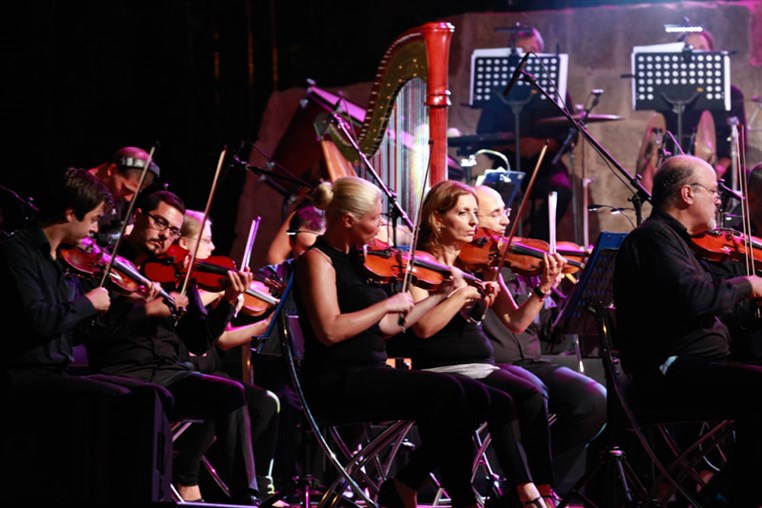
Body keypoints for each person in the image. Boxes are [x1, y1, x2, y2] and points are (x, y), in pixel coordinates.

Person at [293, 176, 516, 508]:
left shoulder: (359, 260)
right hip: (336, 379)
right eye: (374, 218)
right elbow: (330, 330)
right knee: (451, 393)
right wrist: (384, 303)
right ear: (348, 219)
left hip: (372, 373)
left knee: (481, 398)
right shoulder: (318, 260)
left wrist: (439, 295)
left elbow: (387, 326)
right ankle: (451, 496)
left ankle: (410, 483)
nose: (381, 225)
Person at [0, 167, 174, 502]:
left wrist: (127, 305)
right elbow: (37, 321)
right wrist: (86, 303)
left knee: (154, 396)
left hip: (55, 372)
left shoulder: (63, 260)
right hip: (22, 375)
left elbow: (80, 334)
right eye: (93, 219)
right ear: (70, 213)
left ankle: (151, 496)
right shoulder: (16, 253)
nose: (95, 230)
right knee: (117, 401)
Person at [81, 189, 263, 505]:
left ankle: (246, 498)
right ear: (137, 217)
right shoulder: (102, 263)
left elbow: (199, 340)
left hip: (170, 374)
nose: (165, 236)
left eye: (174, 231)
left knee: (233, 394)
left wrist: (229, 303)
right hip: (119, 371)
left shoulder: (177, 273)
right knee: (156, 399)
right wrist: (144, 311)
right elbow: (91, 333)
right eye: (159, 223)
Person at [406, 179, 566, 507]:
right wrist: (462, 294)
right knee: (505, 401)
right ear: (438, 219)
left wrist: (543, 289)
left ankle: (541, 488)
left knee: (532, 394)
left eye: (475, 214)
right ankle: (526, 492)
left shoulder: (476, 265)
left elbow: (517, 322)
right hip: (443, 367)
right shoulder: (420, 263)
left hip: (480, 365)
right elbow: (423, 328)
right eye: (464, 213)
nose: (474, 223)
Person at [613, 154, 762, 507]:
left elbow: (715, 306)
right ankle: (724, 496)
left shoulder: (685, 243)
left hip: (701, 368)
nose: (719, 200)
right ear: (687, 194)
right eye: (713, 191)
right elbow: (696, 298)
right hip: (669, 373)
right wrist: (749, 285)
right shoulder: (652, 239)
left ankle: (728, 493)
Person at [474, 185, 607, 494]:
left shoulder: (518, 265)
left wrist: (562, 289)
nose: (506, 222)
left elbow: (550, 333)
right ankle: (533, 489)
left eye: (505, 213)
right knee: (533, 392)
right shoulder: (472, 266)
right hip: (495, 365)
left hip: (532, 362)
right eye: (495, 214)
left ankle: (526, 486)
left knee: (595, 400)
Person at [174, 209, 281, 501]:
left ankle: (259, 487)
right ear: (184, 243)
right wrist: (220, 294)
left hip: (211, 368)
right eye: (206, 241)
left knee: (266, 402)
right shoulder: (180, 284)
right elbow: (187, 310)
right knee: (219, 394)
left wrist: (266, 324)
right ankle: (187, 476)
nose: (212, 248)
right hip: (185, 370)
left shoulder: (209, 286)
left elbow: (223, 339)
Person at [475, 26, 575, 242]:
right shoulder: (497, 89)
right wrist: (512, 146)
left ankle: (535, 244)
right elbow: (483, 135)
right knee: (488, 199)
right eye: (522, 51)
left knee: (562, 189)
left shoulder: (554, 87)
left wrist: (542, 145)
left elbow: (570, 133)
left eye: (533, 50)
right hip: (508, 163)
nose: (528, 56)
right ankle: (491, 247)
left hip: (546, 163)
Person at [254, 204, 325, 491]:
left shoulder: (331, 277)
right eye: (303, 248)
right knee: (286, 403)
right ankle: (288, 481)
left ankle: (327, 480)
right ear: (293, 241)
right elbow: (255, 300)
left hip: (318, 364)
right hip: (279, 365)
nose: (307, 257)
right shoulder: (272, 274)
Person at [87, 146, 161, 248]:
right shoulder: (78, 188)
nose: (129, 198)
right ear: (112, 170)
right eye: (126, 189)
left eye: (135, 193)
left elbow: (127, 231)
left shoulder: (122, 198)